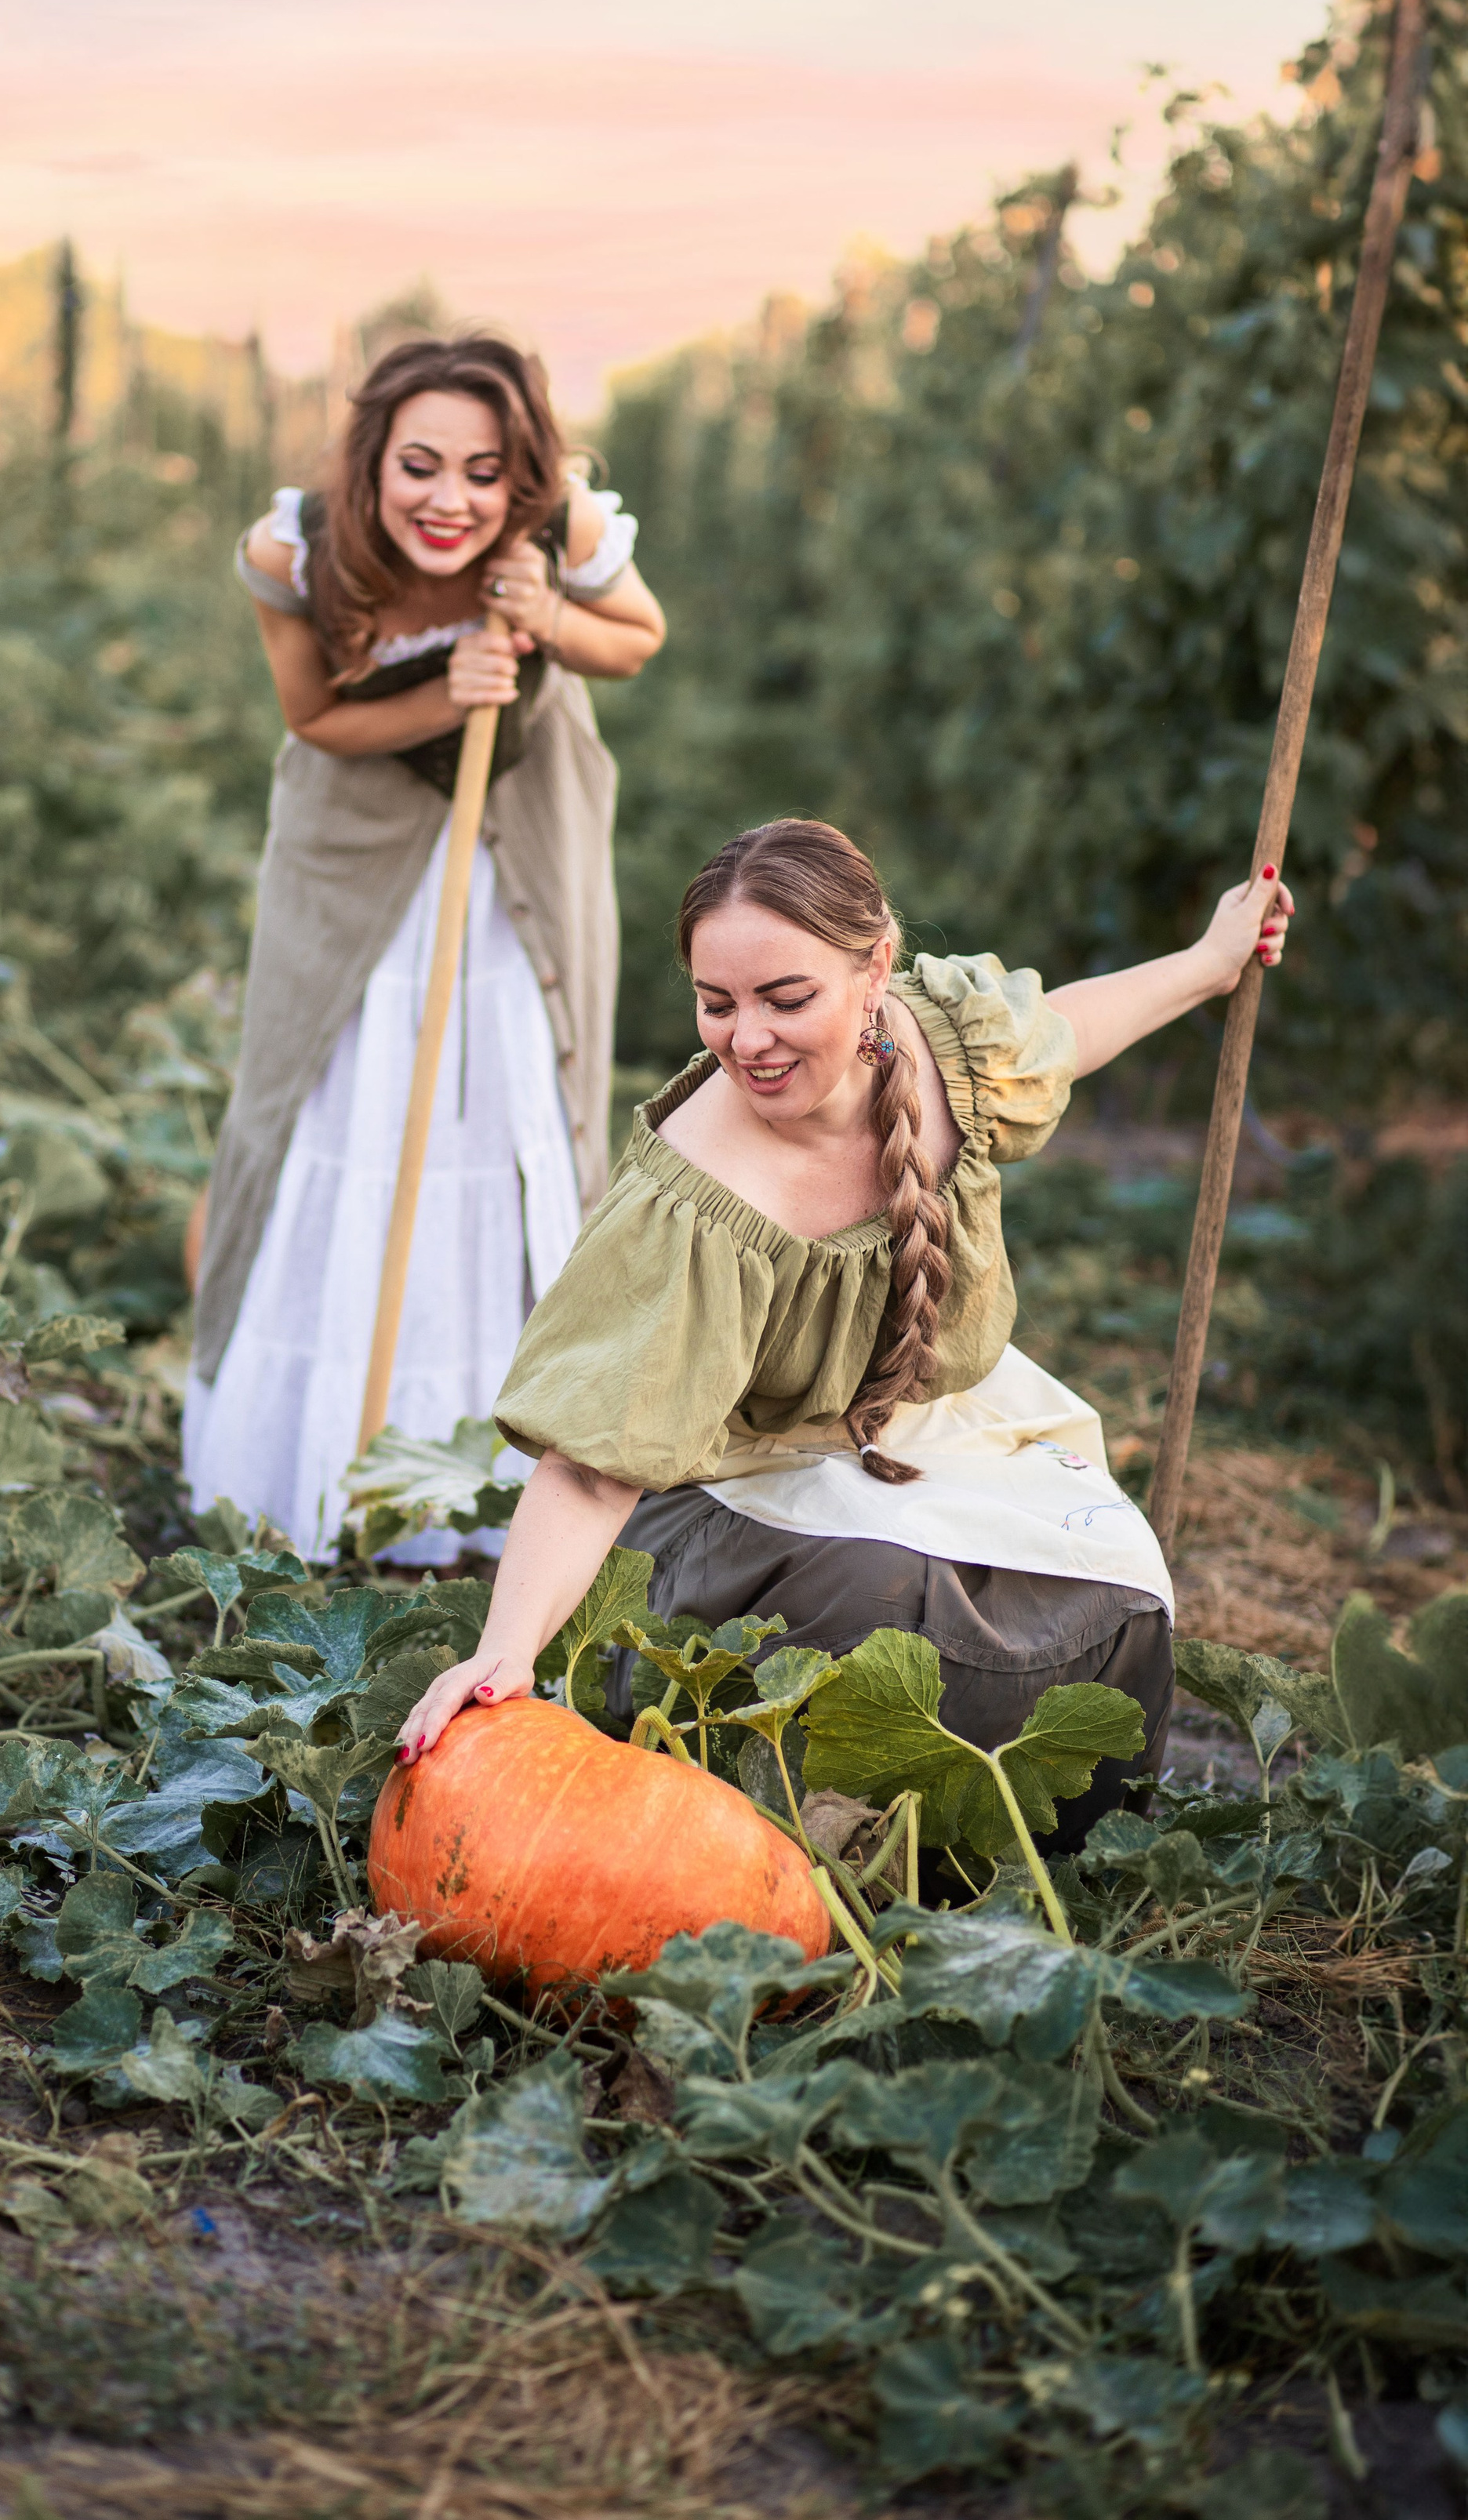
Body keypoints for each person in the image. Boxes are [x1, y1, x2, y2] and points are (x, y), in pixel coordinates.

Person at [397, 817, 1295, 1844]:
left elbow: (1067, 1031)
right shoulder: (698, 1201)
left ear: (876, 970)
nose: (747, 1040)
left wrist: (1208, 964)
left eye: (786, 999)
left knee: (1114, 1587)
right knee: (896, 1604)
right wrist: (508, 1648)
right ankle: (812, 1841)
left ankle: (1038, 1843)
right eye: (716, 1003)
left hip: (917, 1428)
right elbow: (595, 1465)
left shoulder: (945, 1050)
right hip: (718, 1498)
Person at [185, 333, 666, 1557]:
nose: (449, 499)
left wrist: (546, 618)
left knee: (500, 1097)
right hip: (354, 847)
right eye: (420, 465)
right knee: (335, 1094)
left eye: (485, 471)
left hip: (517, 858)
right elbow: (313, 715)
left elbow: (638, 636)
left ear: (523, 479)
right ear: (371, 461)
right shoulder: (291, 549)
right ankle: (313, 1469)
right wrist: (448, 687)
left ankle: (489, 1482)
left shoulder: (557, 530)